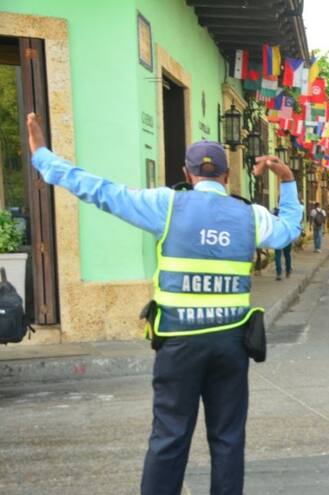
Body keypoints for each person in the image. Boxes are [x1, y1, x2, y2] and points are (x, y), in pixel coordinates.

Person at [25, 113, 302, 495]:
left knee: (170, 437)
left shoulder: (166, 205)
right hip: (231, 345)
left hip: (179, 343)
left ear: (187, 173)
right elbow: (289, 230)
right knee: (228, 439)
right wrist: (287, 180)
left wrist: (42, 156)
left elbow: (100, 190)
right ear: (226, 176)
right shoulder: (250, 216)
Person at [272, 207, 293, 281]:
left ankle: (279, 273)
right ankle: (288, 272)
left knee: (277, 255)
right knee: (287, 254)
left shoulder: (274, 212)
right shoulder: (289, 212)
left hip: (278, 237)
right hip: (287, 237)